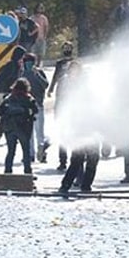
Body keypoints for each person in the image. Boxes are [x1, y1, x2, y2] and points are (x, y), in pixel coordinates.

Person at [0, 78, 38, 174]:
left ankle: (7, 172)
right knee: (26, 152)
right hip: (23, 128)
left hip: (9, 128)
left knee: (10, 152)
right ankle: (27, 173)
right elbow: (35, 111)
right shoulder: (29, 99)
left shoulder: (8, 98)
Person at [47, 42, 76, 171]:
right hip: (61, 99)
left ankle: (75, 158)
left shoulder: (76, 63)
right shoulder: (59, 63)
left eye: (69, 48)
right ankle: (62, 161)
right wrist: (51, 89)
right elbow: (55, 77)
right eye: (65, 48)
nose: (67, 50)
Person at [21, 53, 49, 163]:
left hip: (38, 105)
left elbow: (45, 85)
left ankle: (41, 153)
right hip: (26, 107)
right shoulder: (22, 73)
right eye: (26, 61)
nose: (28, 64)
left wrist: (37, 75)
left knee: (39, 132)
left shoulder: (39, 72)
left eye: (30, 61)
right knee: (29, 133)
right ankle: (30, 154)